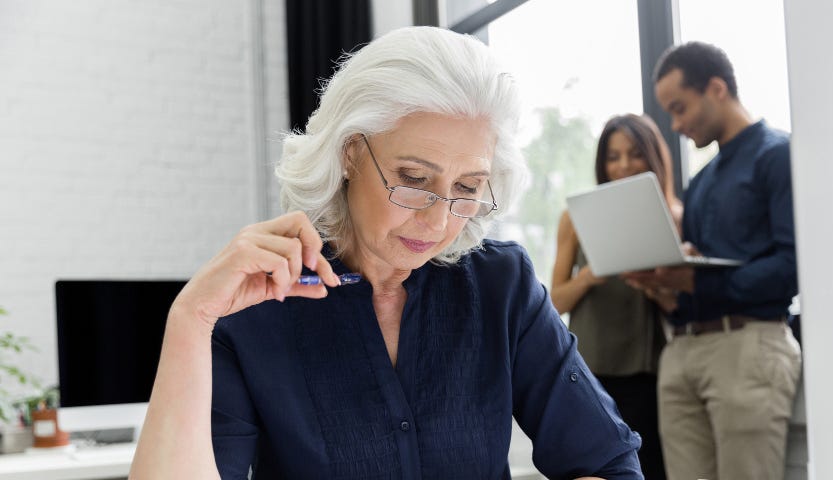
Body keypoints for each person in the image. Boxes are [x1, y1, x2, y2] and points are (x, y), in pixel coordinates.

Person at [129, 26, 643, 479]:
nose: (439, 220)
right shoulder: (258, 304)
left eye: (467, 187)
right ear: (350, 153)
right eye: (414, 180)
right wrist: (190, 318)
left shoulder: (500, 285)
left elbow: (607, 464)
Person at [623, 41, 801, 480]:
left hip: (748, 347)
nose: (676, 124)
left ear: (717, 88)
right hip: (683, 351)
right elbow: (693, 280)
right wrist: (662, 285)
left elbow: (794, 267)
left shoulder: (778, 156)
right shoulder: (701, 183)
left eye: (680, 108)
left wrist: (694, 282)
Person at [550, 113, 681, 480]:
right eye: (613, 156)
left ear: (654, 156)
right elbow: (554, 303)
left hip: (648, 372)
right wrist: (591, 276)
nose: (623, 165)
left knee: (649, 468)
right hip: (589, 372)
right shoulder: (574, 219)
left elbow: (685, 307)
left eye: (635, 153)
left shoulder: (675, 217)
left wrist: (655, 286)